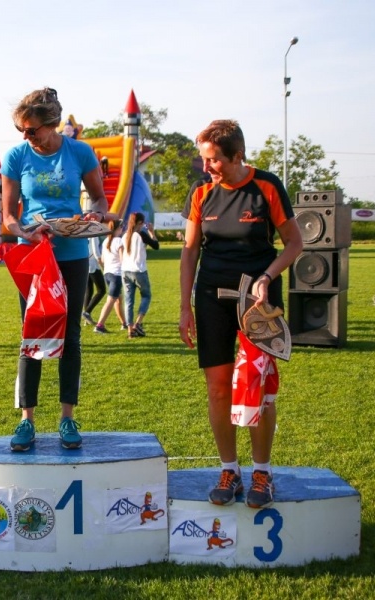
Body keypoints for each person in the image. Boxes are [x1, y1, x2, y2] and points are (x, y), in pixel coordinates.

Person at [178, 119, 303, 509]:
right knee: (218, 388)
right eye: (204, 159)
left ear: (237, 156)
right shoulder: (201, 191)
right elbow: (190, 251)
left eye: (213, 160)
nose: (206, 167)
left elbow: (294, 243)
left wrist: (267, 276)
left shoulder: (267, 186)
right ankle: (229, 470)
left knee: (258, 385)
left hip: (258, 300)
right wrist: (184, 307)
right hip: (212, 297)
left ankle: (262, 472)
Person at [1, 86, 114, 451]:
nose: (26, 137)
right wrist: (25, 232)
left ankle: (67, 418)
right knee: (32, 334)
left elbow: (99, 198)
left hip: (72, 253)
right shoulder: (16, 156)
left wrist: (95, 215)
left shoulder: (79, 152)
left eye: (32, 130)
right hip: (33, 256)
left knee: (71, 336)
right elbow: (8, 217)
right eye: (21, 130)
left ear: (52, 124)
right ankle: (27, 420)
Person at [122, 212, 159, 339]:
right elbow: (156, 246)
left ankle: (129, 330)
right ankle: (138, 323)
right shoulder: (141, 234)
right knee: (146, 296)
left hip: (125, 270)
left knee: (128, 301)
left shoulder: (125, 235)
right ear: (139, 223)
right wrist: (152, 232)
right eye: (143, 223)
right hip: (139, 270)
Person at [93, 220, 128, 333]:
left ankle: (124, 323)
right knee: (111, 300)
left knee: (118, 299)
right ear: (118, 228)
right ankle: (99, 325)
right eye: (122, 227)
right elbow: (122, 259)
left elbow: (103, 259)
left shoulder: (106, 241)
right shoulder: (119, 241)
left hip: (107, 273)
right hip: (116, 274)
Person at [82, 236, 106, 326]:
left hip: (86, 263)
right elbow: (96, 252)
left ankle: (86, 318)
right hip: (93, 265)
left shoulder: (87, 232)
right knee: (101, 290)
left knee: (89, 291)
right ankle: (87, 312)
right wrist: (103, 266)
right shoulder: (94, 235)